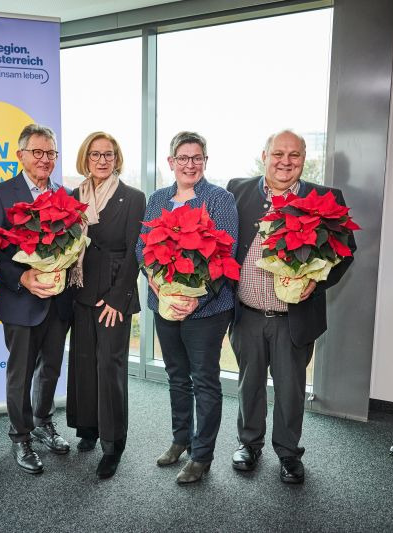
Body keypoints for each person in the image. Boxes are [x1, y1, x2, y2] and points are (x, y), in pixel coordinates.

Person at [227, 129, 356, 484]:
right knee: (249, 384)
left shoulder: (325, 197)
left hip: (293, 318)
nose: (286, 162)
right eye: (278, 154)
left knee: (290, 389)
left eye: (294, 155)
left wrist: (317, 282)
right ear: (264, 155)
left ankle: (288, 453)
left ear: (303, 159)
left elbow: (346, 252)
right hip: (247, 314)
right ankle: (249, 444)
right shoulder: (237, 190)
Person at [135, 131, 238, 484]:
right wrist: (153, 279)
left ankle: (201, 455)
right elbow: (141, 246)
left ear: (205, 161)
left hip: (207, 310)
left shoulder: (220, 199)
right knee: (177, 377)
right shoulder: (157, 199)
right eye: (183, 158)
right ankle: (181, 439)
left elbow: (225, 252)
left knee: (204, 380)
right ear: (171, 162)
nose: (190, 164)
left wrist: (195, 298)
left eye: (197, 158)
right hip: (165, 306)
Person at [0, 124, 73, 475]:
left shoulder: (65, 195)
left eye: (51, 153)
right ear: (20, 155)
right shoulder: (0, 194)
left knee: (51, 367)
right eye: (37, 152)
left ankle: (43, 422)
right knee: (20, 372)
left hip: (58, 300)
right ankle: (20, 436)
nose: (45, 159)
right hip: (20, 299)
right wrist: (22, 277)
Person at [66, 132, 146, 479]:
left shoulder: (133, 197)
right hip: (80, 288)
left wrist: (117, 297)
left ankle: (113, 444)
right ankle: (88, 428)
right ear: (86, 158)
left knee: (109, 366)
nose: (102, 160)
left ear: (117, 159)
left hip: (113, 291)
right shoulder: (75, 196)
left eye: (108, 154)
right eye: (95, 154)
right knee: (83, 360)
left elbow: (134, 252)